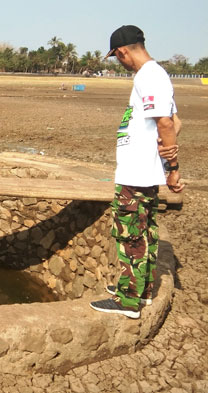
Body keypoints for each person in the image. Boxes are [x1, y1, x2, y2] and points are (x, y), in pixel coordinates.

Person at [90, 25, 184, 319]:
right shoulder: (154, 75)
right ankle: (138, 290)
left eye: (117, 57)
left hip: (137, 174)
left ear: (122, 52)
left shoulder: (149, 76)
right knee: (143, 234)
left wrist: (173, 169)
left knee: (130, 235)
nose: (120, 62)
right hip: (139, 171)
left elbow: (168, 124)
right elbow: (175, 121)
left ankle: (127, 302)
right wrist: (167, 156)